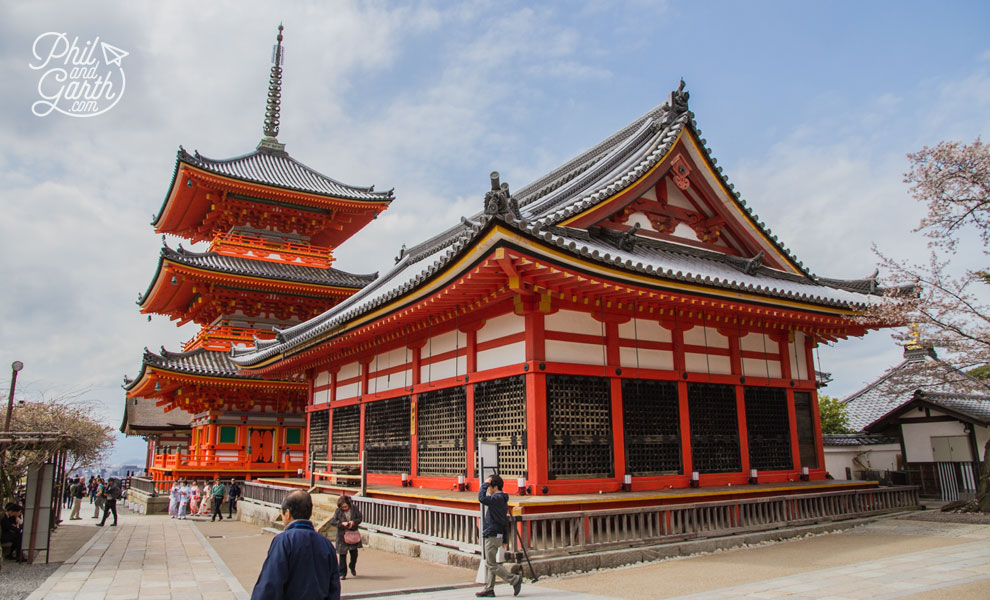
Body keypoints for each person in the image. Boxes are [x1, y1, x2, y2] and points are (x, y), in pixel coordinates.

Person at [252, 490, 340, 600]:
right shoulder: (327, 544)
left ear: (287, 513)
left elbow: (270, 584)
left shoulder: (284, 541)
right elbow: (334, 589)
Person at [476, 475, 522, 597]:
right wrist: (505, 538)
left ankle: (513, 579)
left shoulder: (497, 498)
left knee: (491, 563)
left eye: (490, 487)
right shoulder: (502, 499)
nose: (489, 489)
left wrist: (485, 484)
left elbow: (481, 498)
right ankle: (489, 588)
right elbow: (503, 520)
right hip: (497, 533)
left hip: (492, 533)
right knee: (492, 562)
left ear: (495, 487)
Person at [328, 495, 362, 580]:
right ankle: (342, 573)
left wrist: (353, 522)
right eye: (342, 507)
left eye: (345, 506)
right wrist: (341, 523)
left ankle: (352, 565)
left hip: (352, 533)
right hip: (342, 535)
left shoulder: (354, 509)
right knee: (342, 555)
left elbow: (360, 518)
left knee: (354, 553)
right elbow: (333, 521)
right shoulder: (338, 512)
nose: (344, 508)